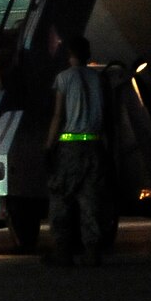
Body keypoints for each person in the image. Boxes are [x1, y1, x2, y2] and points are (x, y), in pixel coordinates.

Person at [44, 36, 109, 268]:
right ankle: (92, 252)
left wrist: (49, 146)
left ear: (70, 54)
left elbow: (58, 115)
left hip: (70, 147)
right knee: (90, 200)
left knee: (61, 198)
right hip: (94, 145)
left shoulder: (63, 78)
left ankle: (63, 251)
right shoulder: (98, 79)